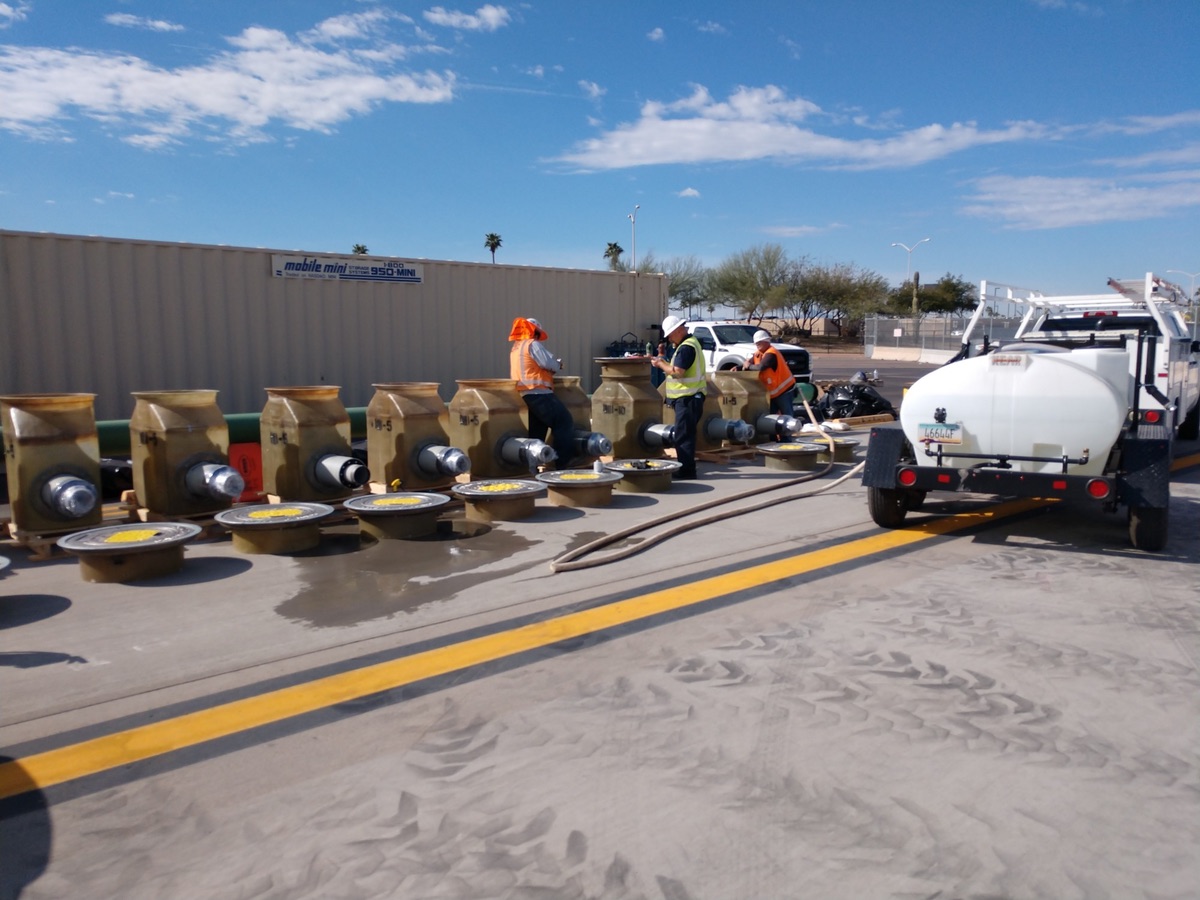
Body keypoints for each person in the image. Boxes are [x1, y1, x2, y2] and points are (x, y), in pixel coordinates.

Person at [508, 316, 578, 467]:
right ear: (535, 331)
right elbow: (546, 363)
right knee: (563, 422)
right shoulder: (532, 344)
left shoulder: (516, 348)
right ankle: (562, 465)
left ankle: (533, 465)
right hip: (540, 393)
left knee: (537, 431)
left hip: (526, 394)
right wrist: (558, 365)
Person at [651, 315, 705, 479]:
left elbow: (678, 372)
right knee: (685, 434)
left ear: (678, 330)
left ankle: (687, 471)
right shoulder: (690, 344)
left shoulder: (686, 347)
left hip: (687, 398)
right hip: (690, 398)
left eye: (670, 335)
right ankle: (686, 468)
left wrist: (660, 364)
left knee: (683, 436)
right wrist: (663, 360)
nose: (669, 338)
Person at [738, 329, 796, 417]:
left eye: (759, 342)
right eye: (756, 343)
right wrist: (738, 368)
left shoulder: (771, 353)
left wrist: (748, 366)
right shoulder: (758, 354)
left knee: (787, 415)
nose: (757, 344)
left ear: (766, 341)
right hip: (773, 392)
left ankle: (792, 428)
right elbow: (749, 363)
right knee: (772, 417)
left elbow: (761, 367)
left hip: (784, 390)